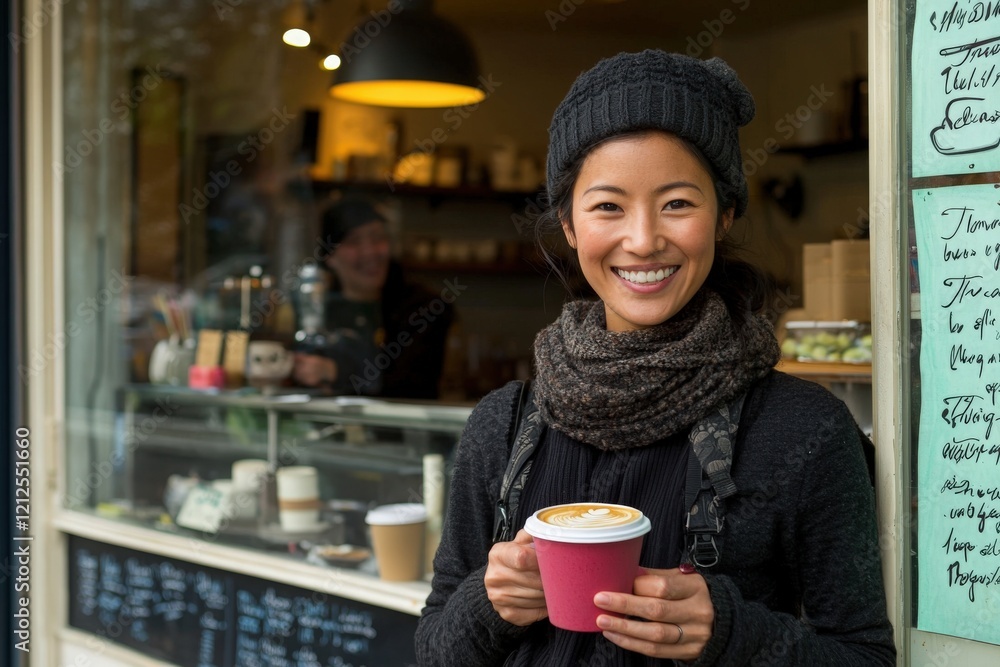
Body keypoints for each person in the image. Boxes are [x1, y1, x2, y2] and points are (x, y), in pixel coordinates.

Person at [415, 50, 895, 665]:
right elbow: (430, 652)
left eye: (677, 203)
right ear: (567, 222)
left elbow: (866, 656)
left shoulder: (804, 430)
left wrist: (732, 635)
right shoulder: (503, 426)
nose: (642, 240)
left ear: (723, 216)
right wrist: (487, 605)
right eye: (608, 206)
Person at [292, 197, 453, 399]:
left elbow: (412, 385)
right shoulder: (316, 308)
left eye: (378, 238)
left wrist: (335, 371)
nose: (370, 252)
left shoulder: (424, 307)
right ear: (329, 257)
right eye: (353, 241)